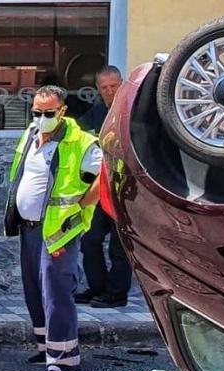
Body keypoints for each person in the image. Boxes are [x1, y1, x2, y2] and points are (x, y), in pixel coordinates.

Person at [4, 85, 102, 371]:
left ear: (62, 111)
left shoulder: (81, 142)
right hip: (30, 227)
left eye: (48, 113)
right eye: (36, 112)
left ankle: (66, 365)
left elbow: (106, 177)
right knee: (34, 290)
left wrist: (81, 205)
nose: (41, 117)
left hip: (58, 231)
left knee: (57, 296)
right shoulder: (31, 135)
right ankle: (47, 348)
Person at [76, 66, 132, 308]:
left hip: (127, 190)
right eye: (105, 88)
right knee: (90, 240)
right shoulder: (97, 112)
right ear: (98, 90)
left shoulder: (134, 113)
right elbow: (76, 135)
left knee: (120, 247)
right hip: (100, 188)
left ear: (123, 83)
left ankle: (117, 294)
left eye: (114, 86)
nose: (110, 91)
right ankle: (97, 289)